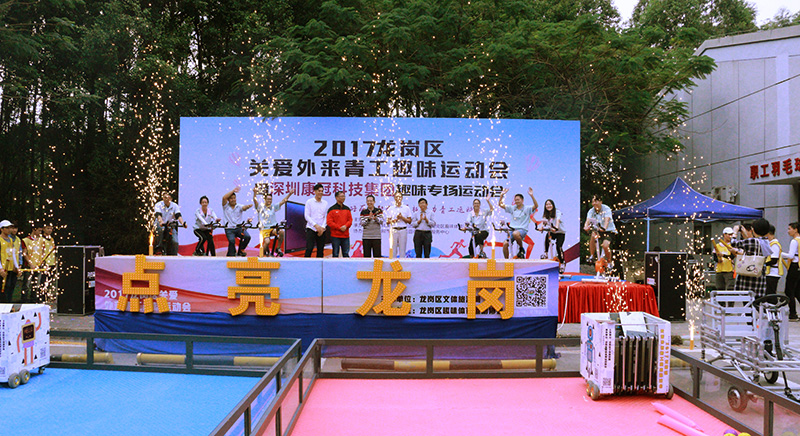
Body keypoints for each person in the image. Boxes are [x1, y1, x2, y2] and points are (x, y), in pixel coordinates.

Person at [730, 220, 769, 298]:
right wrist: (746, 235)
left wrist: (735, 232)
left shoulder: (752, 241)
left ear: (753, 229)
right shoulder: (766, 241)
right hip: (759, 276)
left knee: (747, 300)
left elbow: (733, 243)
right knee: (756, 301)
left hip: (748, 278)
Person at [499, 187, 538, 259]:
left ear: (522, 200)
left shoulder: (527, 208)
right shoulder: (512, 208)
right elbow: (500, 205)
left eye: (518, 199)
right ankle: (507, 261)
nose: (516, 201)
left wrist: (532, 196)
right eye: (515, 200)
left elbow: (536, 206)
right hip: (512, 230)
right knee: (505, 244)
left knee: (515, 233)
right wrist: (501, 195)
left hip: (522, 230)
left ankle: (521, 248)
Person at [254, 187, 294, 256]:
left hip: (273, 228)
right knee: (267, 242)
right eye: (268, 199)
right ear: (265, 199)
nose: (269, 201)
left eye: (271, 199)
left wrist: (289, 194)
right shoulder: (260, 207)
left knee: (281, 231)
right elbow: (255, 201)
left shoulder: (273, 206)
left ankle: (278, 248)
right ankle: (262, 254)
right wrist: (254, 193)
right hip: (264, 229)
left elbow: (283, 201)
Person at [583, 194, 617, 266]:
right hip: (598, 230)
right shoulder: (591, 211)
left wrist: (604, 228)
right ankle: (592, 256)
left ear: (600, 202)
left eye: (596, 201)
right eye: (593, 202)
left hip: (609, 231)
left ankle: (609, 262)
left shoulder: (606, 209)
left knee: (605, 245)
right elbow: (587, 220)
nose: (594, 203)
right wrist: (586, 227)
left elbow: (607, 220)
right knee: (593, 234)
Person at [222, 187, 254, 257]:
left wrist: (248, 206)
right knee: (232, 241)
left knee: (247, 237)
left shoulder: (239, 206)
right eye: (231, 198)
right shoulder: (225, 206)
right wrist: (233, 190)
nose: (233, 200)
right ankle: (231, 255)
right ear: (228, 200)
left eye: (234, 198)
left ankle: (241, 250)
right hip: (229, 229)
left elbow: (244, 207)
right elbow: (224, 198)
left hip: (239, 228)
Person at [21, 224, 45, 303]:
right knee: (27, 284)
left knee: (36, 284)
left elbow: (43, 252)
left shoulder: (42, 240)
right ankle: (24, 300)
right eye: (39, 230)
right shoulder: (26, 240)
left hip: (38, 266)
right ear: (34, 229)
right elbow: (24, 253)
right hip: (29, 266)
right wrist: (30, 263)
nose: (40, 232)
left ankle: (34, 300)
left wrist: (42, 261)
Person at [540, 199, 566, 270]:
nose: (548, 206)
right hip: (552, 231)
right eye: (547, 204)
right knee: (547, 238)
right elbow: (543, 221)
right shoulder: (546, 214)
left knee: (558, 246)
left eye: (550, 204)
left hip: (560, 232)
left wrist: (556, 227)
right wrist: (541, 227)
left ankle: (562, 262)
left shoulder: (557, 212)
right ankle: (546, 253)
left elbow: (558, 220)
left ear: (553, 205)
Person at [304, 183, 329, 258]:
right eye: (319, 191)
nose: (321, 193)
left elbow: (326, 216)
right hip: (311, 228)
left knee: (320, 250)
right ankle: (305, 264)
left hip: (322, 229)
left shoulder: (325, 203)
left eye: (322, 191)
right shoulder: (309, 202)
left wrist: (323, 227)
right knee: (309, 248)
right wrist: (315, 225)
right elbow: (307, 216)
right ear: (315, 191)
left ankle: (320, 265)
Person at [782, 222, 800, 320]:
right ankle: (793, 313)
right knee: (797, 291)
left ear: (795, 229)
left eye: (790, 229)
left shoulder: (794, 241)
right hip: (799, 266)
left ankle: (793, 314)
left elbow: (791, 255)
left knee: (789, 291)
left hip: (794, 266)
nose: (788, 231)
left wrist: (780, 253)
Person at [327, 191, 353, 258]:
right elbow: (329, 222)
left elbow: (350, 220)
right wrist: (339, 227)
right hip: (335, 236)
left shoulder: (347, 209)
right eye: (341, 196)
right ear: (336, 198)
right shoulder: (332, 209)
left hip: (345, 236)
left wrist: (345, 226)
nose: (343, 198)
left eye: (344, 196)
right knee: (335, 254)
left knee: (346, 254)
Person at [386, 192, 412, 258]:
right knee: (393, 249)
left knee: (402, 250)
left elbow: (409, 221)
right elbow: (388, 221)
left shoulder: (406, 208)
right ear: (394, 198)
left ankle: (402, 263)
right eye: (396, 197)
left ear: (402, 198)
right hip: (394, 230)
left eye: (400, 197)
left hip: (403, 229)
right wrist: (393, 221)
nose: (398, 198)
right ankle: (393, 263)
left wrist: (402, 217)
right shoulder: (391, 208)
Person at [0, 220, 20, 303]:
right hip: (3, 268)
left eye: (10, 227)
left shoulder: (11, 240)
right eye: (7, 228)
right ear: (2, 229)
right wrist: (0, 268)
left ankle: (8, 304)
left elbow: (13, 254)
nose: (9, 230)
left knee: (10, 287)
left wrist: (16, 266)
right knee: (3, 288)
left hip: (10, 268)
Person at [765, 225, 783, 296]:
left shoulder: (774, 245)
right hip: (770, 273)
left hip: (773, 273)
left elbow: (774, 260)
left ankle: (773, 303)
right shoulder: (770, 244)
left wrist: (763, 264)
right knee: (769, 293)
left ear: (768, 234)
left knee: (771, 293)